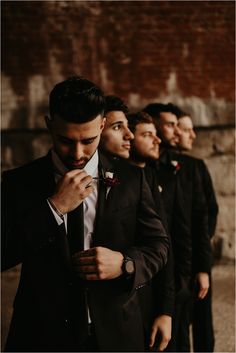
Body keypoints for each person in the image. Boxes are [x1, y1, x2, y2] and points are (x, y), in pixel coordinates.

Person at [2, 76, 170, 352]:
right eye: (65, 141)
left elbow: (159, 245)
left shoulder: (132, 179)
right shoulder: (19, 183)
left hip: (117, 335)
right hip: (41, 336)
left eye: (89, 140)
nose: (77, 153)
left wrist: (126, 264)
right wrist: (53, 208)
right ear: (49, 125)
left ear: (102, 125)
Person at [100, 99, 174, 352]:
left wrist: (166, 309)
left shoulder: (139, 179)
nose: (129, 136)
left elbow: (162, 244)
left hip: (140, 295)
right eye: (118, 127)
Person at [143, 103, 212, 352]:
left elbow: (196, 219)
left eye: (176, 125)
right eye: (170, 124)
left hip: (179, 267)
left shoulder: (180, 167)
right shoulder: (141, 169)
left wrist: (199, 267)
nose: (175, 131)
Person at [176, 111, 218, 352]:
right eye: (186, 129)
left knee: (203, 321)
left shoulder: (197, 166)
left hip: (196, 253)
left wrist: (201, 245)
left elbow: (209, 211)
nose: (192, 134)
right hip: (176, 258)